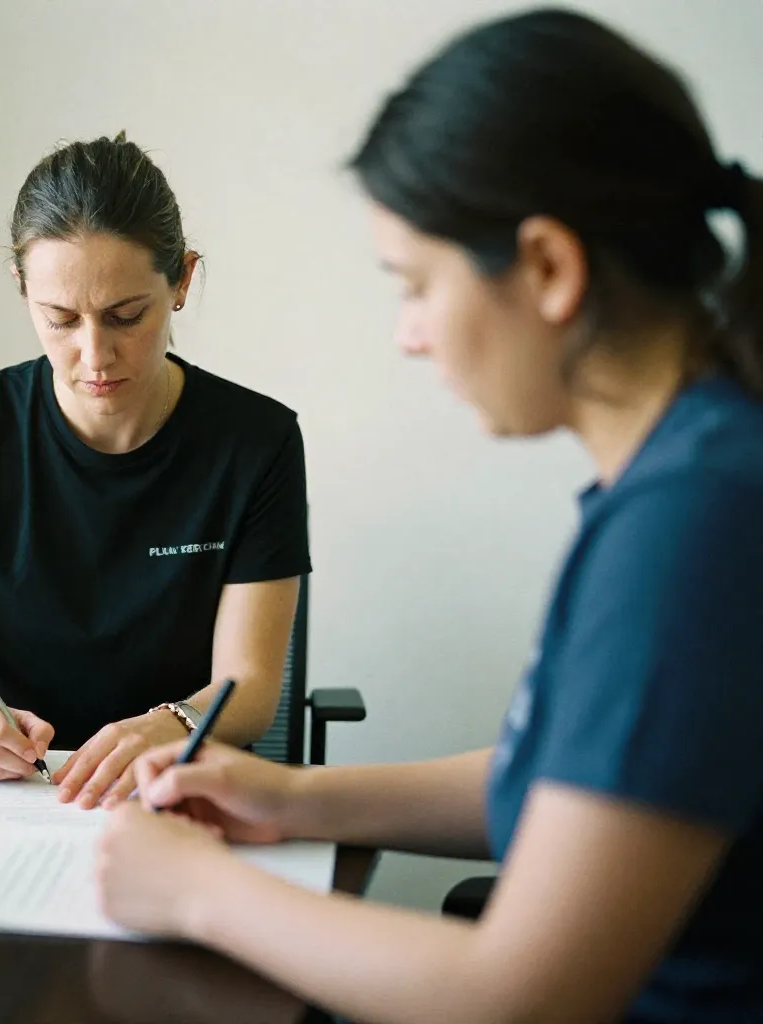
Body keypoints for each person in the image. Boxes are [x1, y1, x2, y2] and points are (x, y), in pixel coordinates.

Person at [94, 10, 763, 1023]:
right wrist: (287, 795)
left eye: (415, 286)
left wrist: (193, 890)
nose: (408, 336)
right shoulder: (683, 478)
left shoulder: (693, 523)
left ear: (547, 268)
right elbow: (564, 785)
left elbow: (524, 993)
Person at [0, 134, 310, 809]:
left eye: (126, 316)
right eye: (61, 319)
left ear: (182, 280)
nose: (94, 355)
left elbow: (247, 687)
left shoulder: (256, 441)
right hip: (14, 794)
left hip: (179, 786)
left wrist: (170, 724)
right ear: (21, 287)